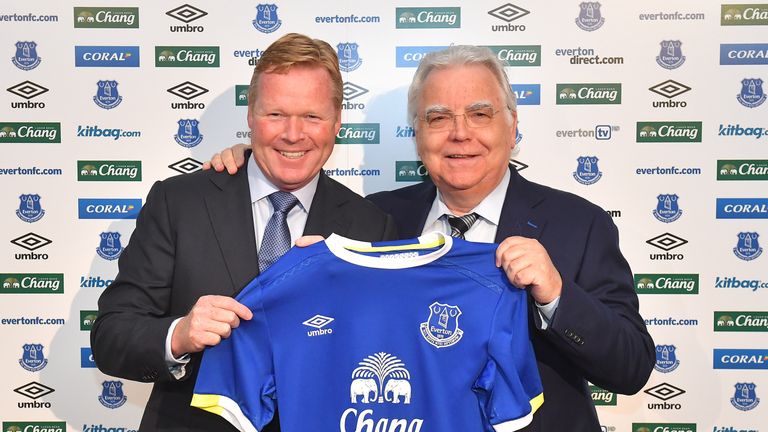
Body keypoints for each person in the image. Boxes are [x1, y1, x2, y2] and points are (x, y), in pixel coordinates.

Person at [209, 44, 655, 431]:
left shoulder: (579, 224)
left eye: (479, 114)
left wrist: (556, 296)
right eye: (438, 117)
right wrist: (253, 164)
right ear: (417, 134)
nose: (460, 133)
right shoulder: (375, 219)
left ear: (512, 125)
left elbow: (631, 367)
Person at [91, 33, 397, 432]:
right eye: (276, 114)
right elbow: (110, 336)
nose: (293, 134)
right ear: (250, 115)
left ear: (336, 122)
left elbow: (387, 350)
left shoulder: (371, 225)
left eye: (312, 116)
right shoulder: (179, 202)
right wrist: (179, 335)